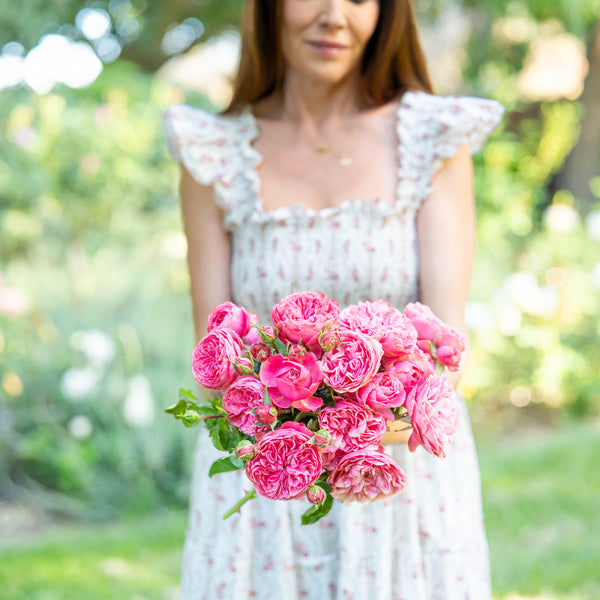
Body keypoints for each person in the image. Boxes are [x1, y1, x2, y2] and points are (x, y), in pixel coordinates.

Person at [163, 0, 504, 598]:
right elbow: (213, 351)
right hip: (264, 481)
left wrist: (354, 432)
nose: (333, 15)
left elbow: (446, 346)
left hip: (400, 478)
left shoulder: (432, 137)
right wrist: (294, 437)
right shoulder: (213, 152)